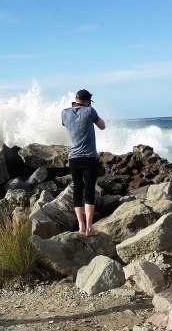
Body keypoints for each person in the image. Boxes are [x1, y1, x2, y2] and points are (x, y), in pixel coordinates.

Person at [61, 89, 106, 236]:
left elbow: (69, 124)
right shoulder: (89, 111)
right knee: (89, 191)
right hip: (88, 158)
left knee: (77, 190)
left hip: (73, 158)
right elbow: (102, 126)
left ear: (76, 99)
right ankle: (89, 228)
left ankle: (80, 226)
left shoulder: (64, 113)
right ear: (87, 101)